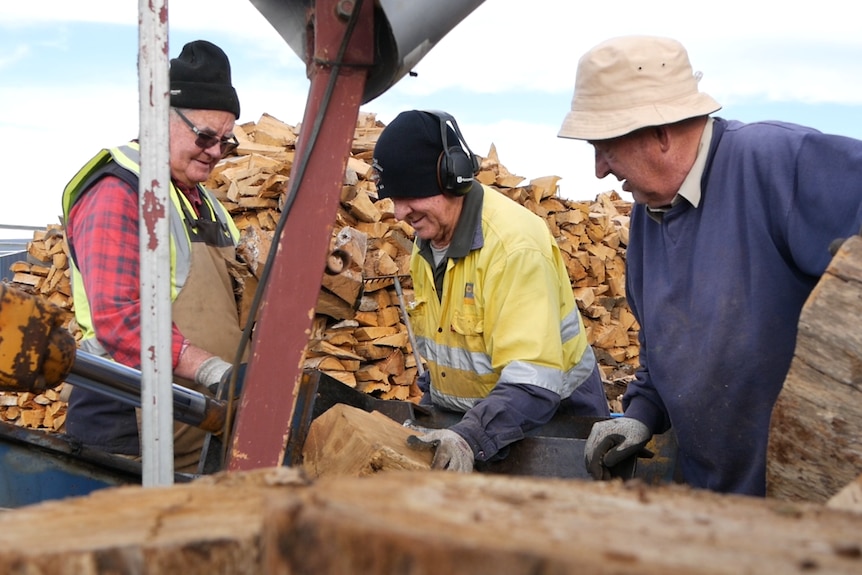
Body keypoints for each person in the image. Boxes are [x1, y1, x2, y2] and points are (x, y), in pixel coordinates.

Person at [558, 35, 862, 495]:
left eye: (605, 147)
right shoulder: (649, 212)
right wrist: (640, 414)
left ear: (659, 133)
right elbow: (662, 347)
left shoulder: (779, 163)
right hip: (716, 504)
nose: (600, 169)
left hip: (812, 504)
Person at [372, 109, 610, 473]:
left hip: (556, 427)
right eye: (393, 198)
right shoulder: (427, 245)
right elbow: (448, 352)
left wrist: (467, 437)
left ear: (453, 178)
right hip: (480, 424)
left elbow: (534, 382)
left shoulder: (514, 247)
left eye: (410, 195)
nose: (400, 212)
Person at [62, 40, 248, 473]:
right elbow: (120, 318)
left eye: (226, 142)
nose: (216, 152)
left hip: (197, 422)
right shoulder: (119, 191)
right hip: (126, 421)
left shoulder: (209, 204)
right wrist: (211, 370)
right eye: (204, 137)